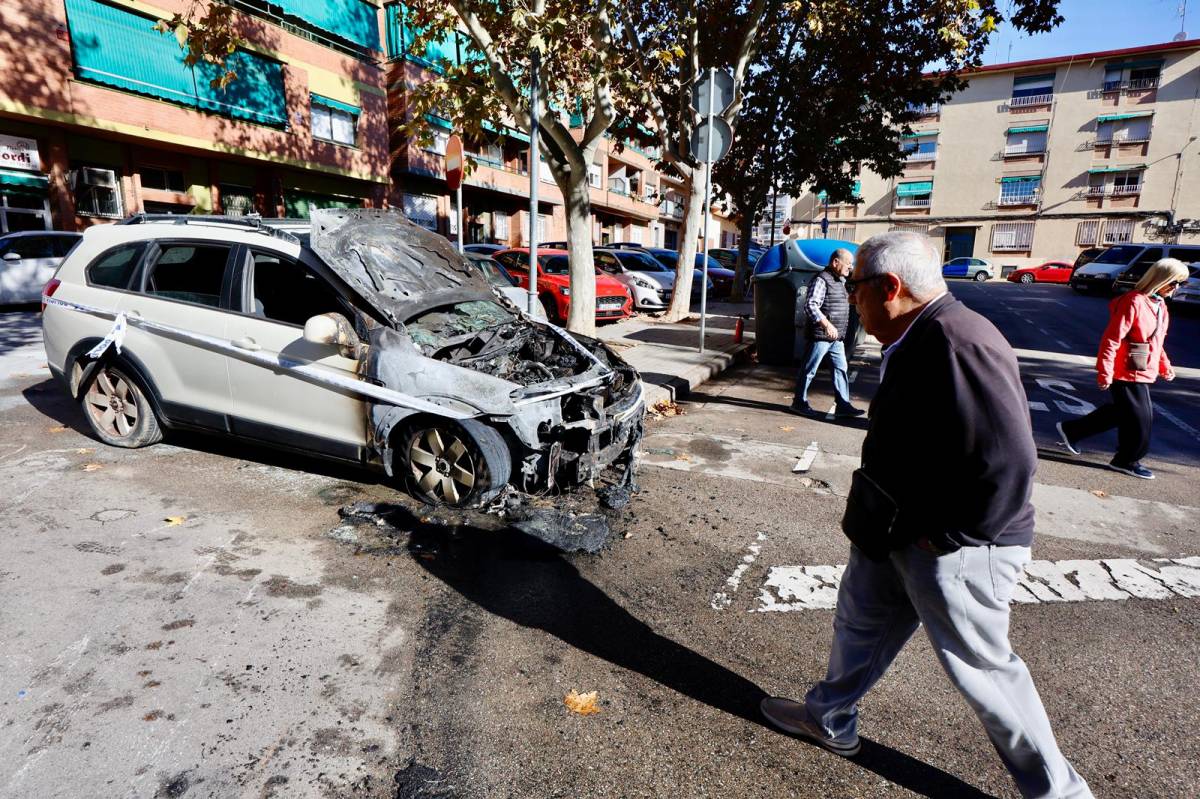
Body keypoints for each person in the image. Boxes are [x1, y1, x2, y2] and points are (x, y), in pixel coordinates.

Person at [762, 232, 1093, 799]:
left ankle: (1060, 794)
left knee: (985, 671)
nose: (851, 298)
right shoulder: (923, 333)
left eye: (853, 286)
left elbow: (1010, 463)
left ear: (889, 287)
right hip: (893, 527)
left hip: (953, 545)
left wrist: (949, 537)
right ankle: (830, 717)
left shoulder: (958, 344)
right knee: (859, 624)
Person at [1055, 258, 1187, 479]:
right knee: (1141, 420)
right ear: (1160, 279)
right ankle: (1126, 460)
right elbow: (1112, 339)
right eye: (1174, 282)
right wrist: (1105, 370)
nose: (1176, 288)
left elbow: (1156, 341)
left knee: (1121, 413)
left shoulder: (1160, 305)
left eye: (1180, 283)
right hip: (1125, 370)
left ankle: (1072, 430)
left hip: (1144, 369)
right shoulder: (1133, 301)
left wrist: (1165, 365)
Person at [790, 248, 864, 418]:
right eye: (848, 264)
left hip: (836, 336)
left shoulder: (841, 281)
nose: (850, 267)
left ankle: (843, 405)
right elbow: (811, 305)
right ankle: (799, 402)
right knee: (809, 369)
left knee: (840, 369)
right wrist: (826, 325)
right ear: (835, 262)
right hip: (821, 335)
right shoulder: (821, 280)